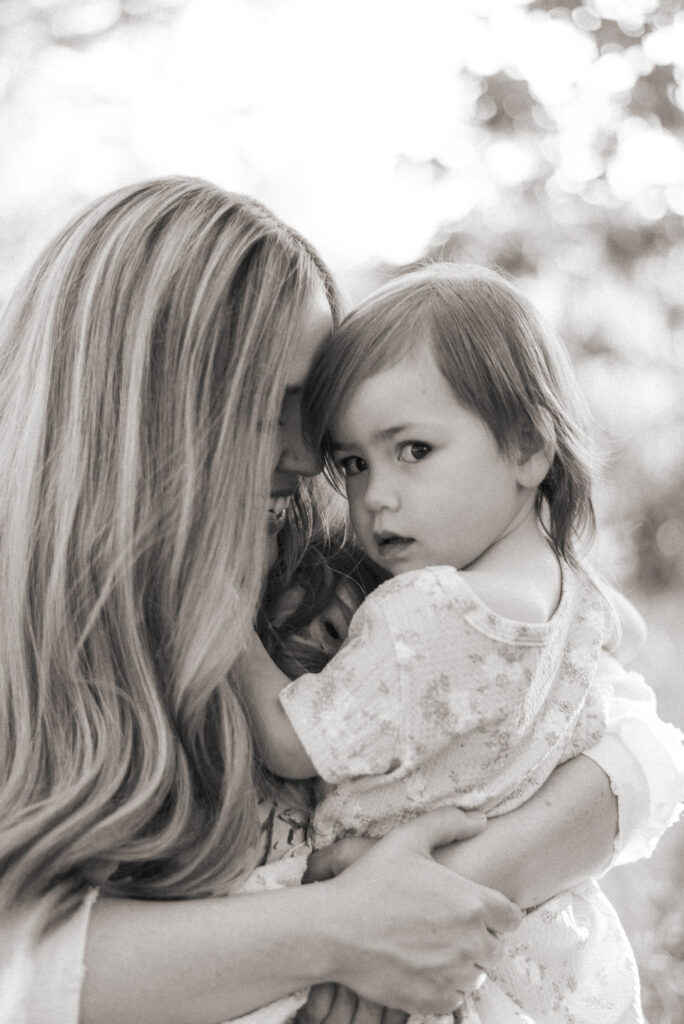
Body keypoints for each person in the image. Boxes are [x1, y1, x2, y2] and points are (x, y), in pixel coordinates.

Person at [0, 181, 681, 1024]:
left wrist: (457, 890)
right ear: (153, 408)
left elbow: (643, 746)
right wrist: (339, 931)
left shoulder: (335, 559)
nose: (307, 455)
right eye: (269, 404)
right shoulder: (32, 634)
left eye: (315, 414)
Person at [238, 264, 684, 1023]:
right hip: (551, 951)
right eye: (354, 463)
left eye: (413, 450)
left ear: (529, 447)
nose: (377, 494)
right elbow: (630, 636)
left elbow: (288, 742)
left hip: (419, 968)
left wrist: (228, 629)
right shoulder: (572, 589)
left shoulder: (428, 611)